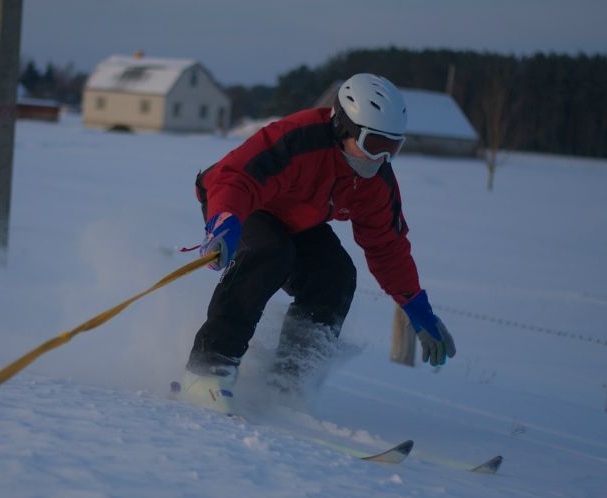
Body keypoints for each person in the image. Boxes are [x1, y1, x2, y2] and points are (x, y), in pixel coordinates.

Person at [180, 73, 456, 413]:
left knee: (335, 276)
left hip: (293, 218)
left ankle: (288, 383)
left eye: (393, 148)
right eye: (373, 144)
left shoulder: (375, 181)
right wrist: (223, 222)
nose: (380, 158)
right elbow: (237, 177)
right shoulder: (298, 139)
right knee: (270, 252)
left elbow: (388, 246)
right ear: (343, 127)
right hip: (240, 205)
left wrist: (415, 306)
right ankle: (207, 369)